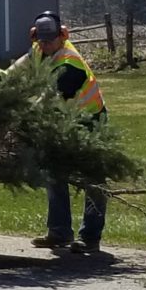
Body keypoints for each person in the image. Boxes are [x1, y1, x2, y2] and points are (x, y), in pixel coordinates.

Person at [12, 13, 108, 256]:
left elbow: (50, 99)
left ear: (62, 36)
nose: (44, 46)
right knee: (54, 174)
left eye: (50, 41)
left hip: (89, 121)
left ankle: (90, 237)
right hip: (61, 119)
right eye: (41, 41)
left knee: (93, 179)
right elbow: (21, 66)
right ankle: (59, 231)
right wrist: (2, 77)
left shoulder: (70, 64)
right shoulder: (39, 49)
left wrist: (22, 117)